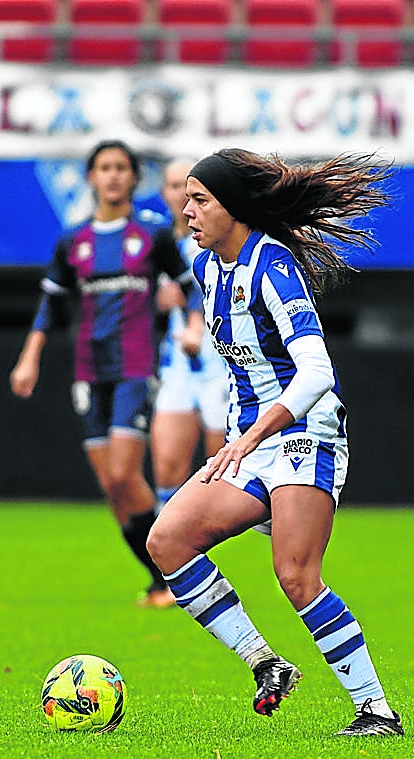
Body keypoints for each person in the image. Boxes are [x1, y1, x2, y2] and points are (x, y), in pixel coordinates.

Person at [145, 147, 404, 737]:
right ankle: (265, 663)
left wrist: (254, 433)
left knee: (294, 573)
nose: (186, 211)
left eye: (199, 200)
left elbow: (316, 372)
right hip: (250, 442)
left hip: (304, 433)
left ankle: (377, 711)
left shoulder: (274, 266)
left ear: (232, 208)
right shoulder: (206, 266)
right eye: (186, 198)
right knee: (168, 540)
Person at [9, 140, 191, 608]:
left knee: (123, 472)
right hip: (89, 370)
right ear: (91, 177)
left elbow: (190, 284)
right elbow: (51, 303)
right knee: (112, 486)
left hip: (136, 365)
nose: (112, 176)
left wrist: (188, 322)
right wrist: (30, 357)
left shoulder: (152, 235)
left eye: (121, 168)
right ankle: (160, 578)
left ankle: (173, 570)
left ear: (134, 178)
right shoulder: (73, 240)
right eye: (104, 168)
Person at [151, 158, 229, 513]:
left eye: (188, 186)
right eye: (172, 185)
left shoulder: (220, 240)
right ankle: (171, 554)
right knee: (167, 467)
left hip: (223, 364)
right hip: (178, 364)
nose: (180, 195)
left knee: (221, 471)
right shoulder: (155, 243)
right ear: (162, 192)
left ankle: (204, 545)